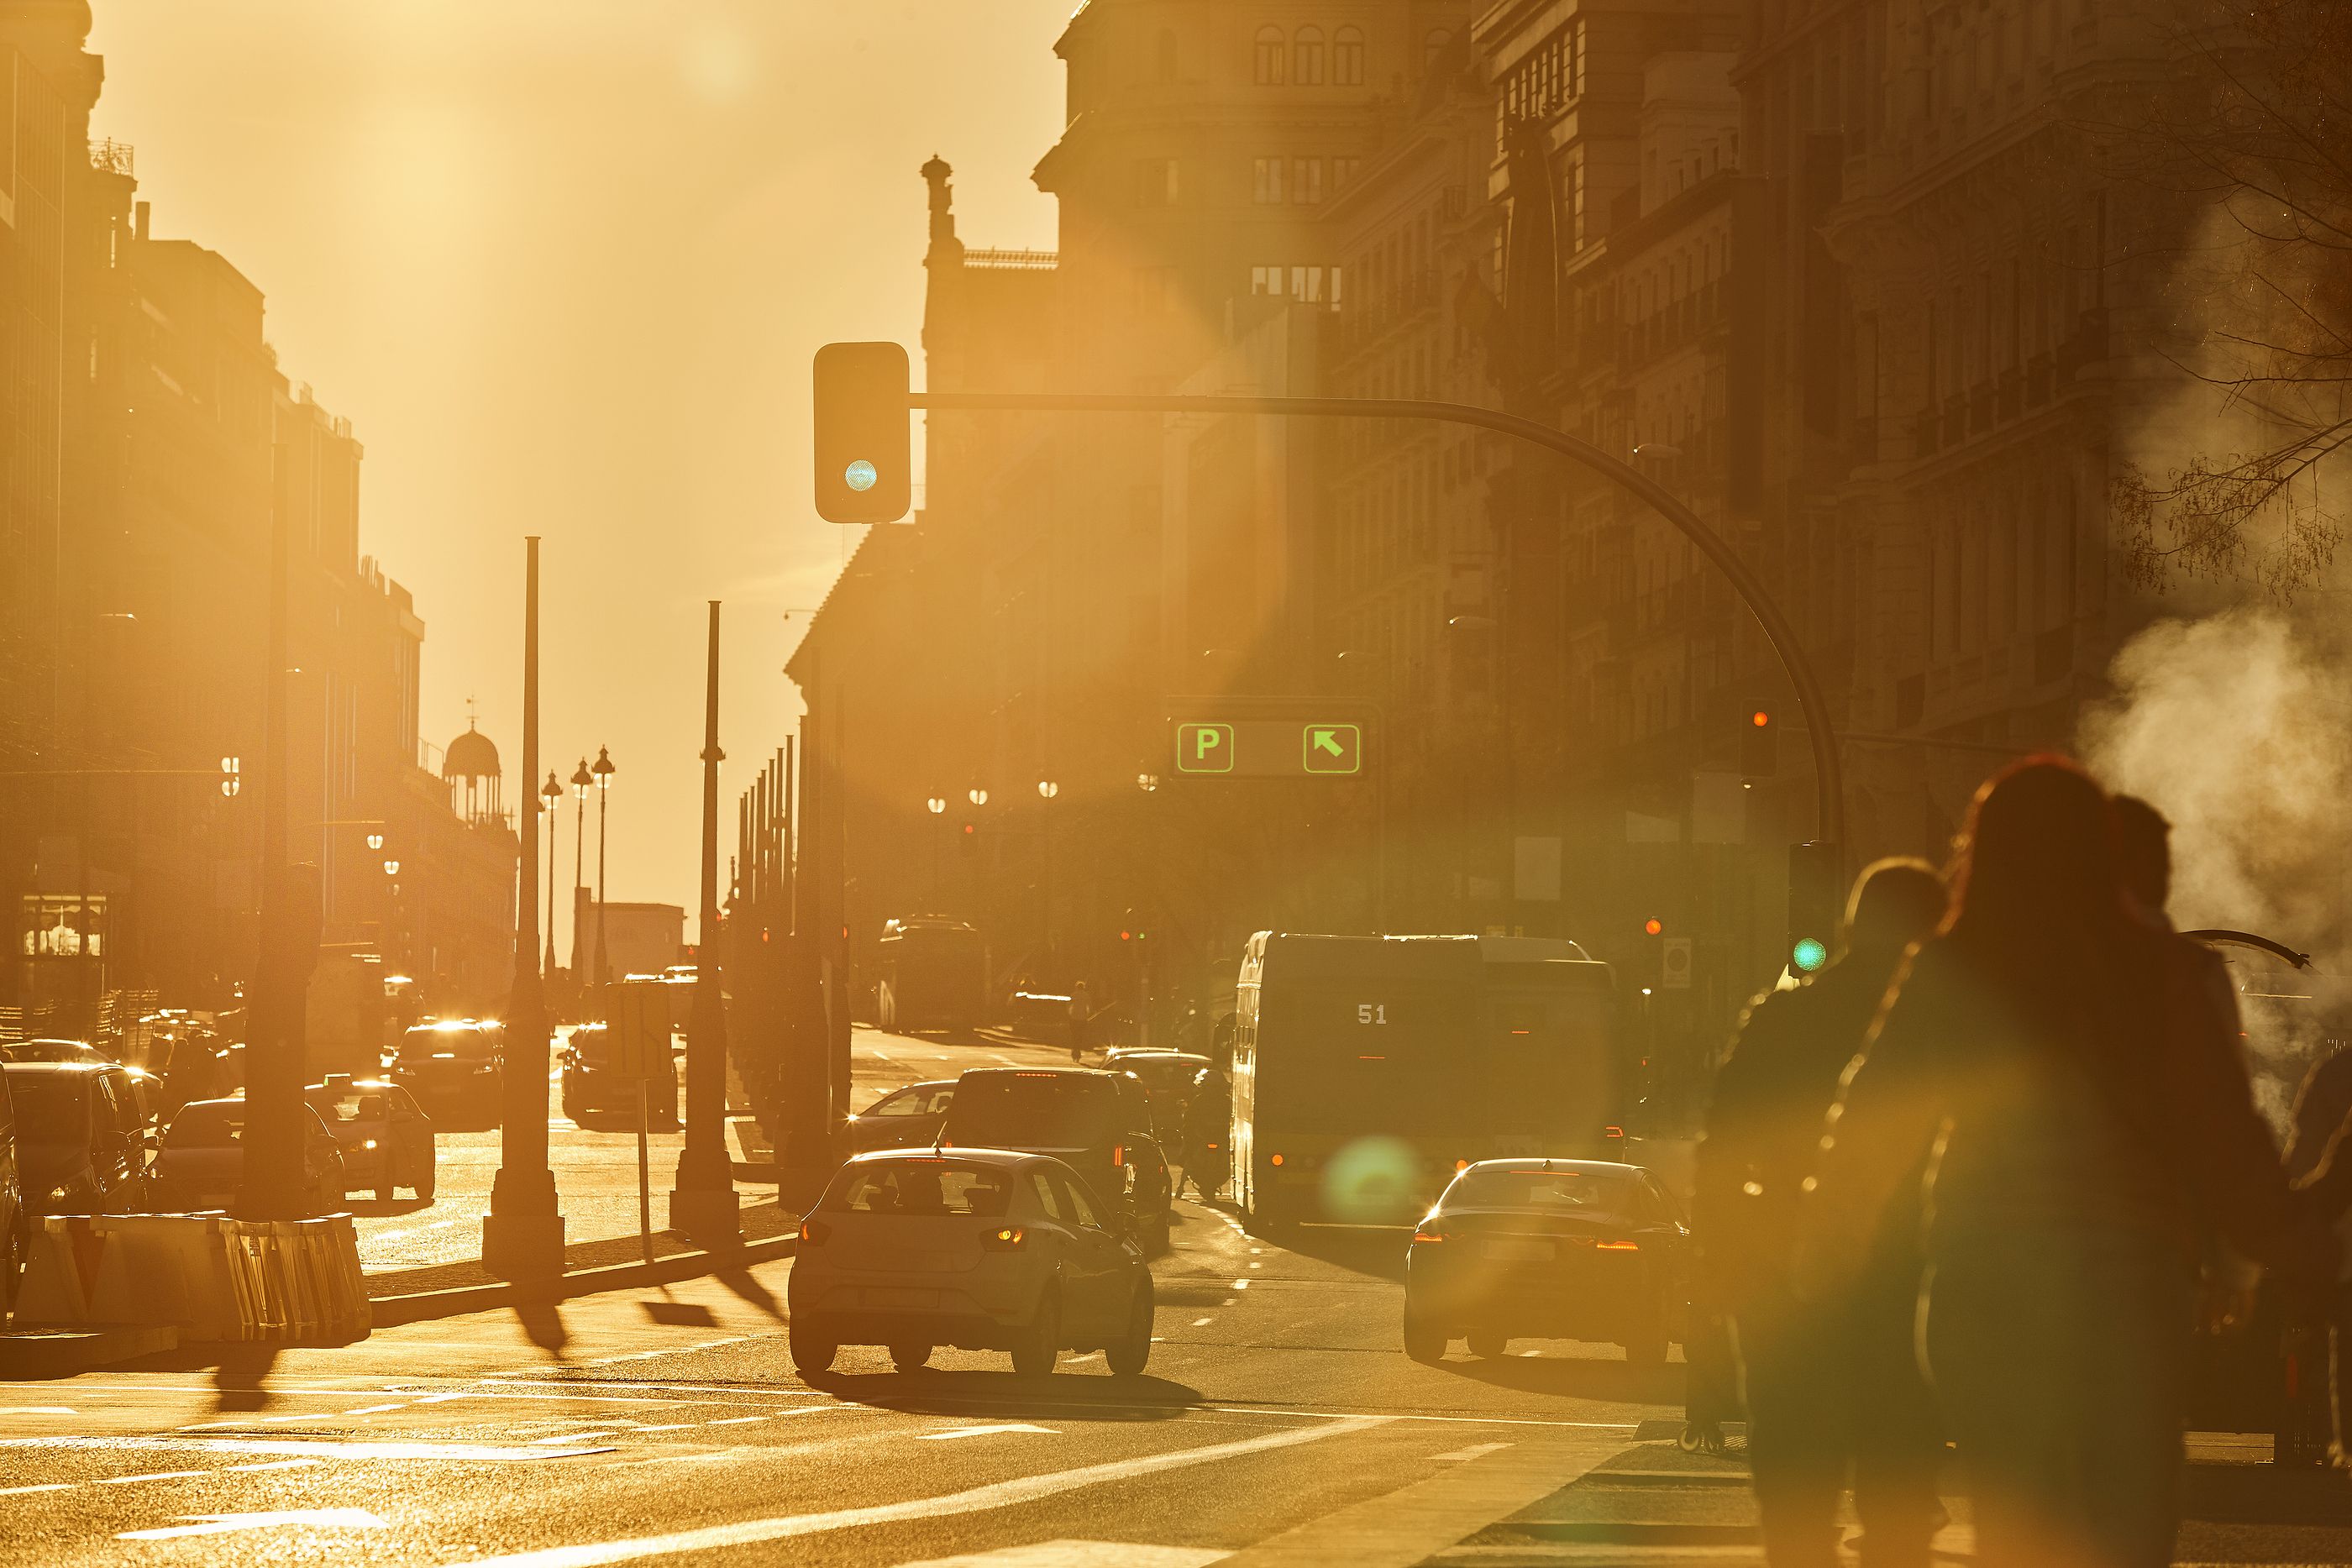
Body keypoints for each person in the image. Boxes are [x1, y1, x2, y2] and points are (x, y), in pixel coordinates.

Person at [1809, 759, 2344, 1568]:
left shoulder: (1950, 967)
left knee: (2015, 1533)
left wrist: (1820, 1266)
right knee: (2126, 1532)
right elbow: (2224, 1142)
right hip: (2124, 1291)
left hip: (1979, 1288)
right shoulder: (2168, 973)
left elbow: (1866, 1130)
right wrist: (2292, 1252)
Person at [1696, 857, 1948, 1566]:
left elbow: (1720, 1148)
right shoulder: (1946, 1029)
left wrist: (1718, 1266)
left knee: (1794, 1507)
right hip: (1907, 1281)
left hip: (1782, 1277)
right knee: (1898, 1506)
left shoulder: (1784, 1016)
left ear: (1852, 925)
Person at [1179, 1066, 1230, 1202]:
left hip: (1221, 1137)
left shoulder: (1225, 1101)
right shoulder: (1202, 1100)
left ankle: (1181, 1186)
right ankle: (1181, 1185)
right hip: (1203, 1136)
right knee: (1188, 1151)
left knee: (1188, 1151)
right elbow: (1189, 1121)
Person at [1066, 981, 1093, 1062]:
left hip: (1074, 1018)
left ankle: (1074, 1052)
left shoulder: (1073, 995)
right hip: (1083, 1018)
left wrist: (1070, 1014)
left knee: (1074, 1036)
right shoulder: (1086, 996)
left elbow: (1068, 1006)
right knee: (1080, 1036)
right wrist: (1087, 1015)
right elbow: (1090, 1007)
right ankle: (1078, 1053)